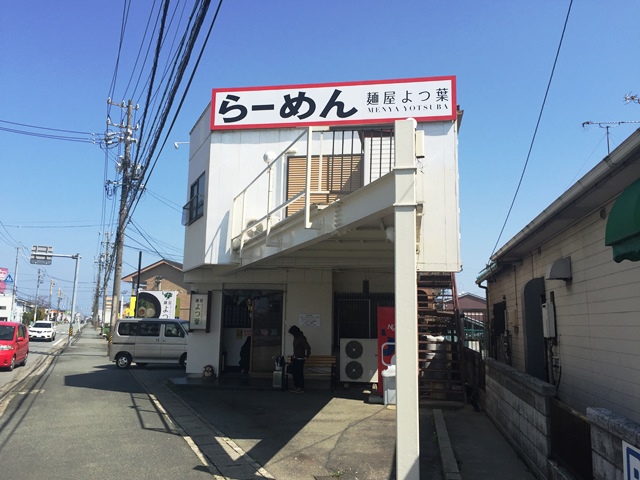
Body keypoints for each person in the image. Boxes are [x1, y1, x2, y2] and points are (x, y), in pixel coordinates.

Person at [288, 325, 311, 393]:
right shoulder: (296, 338)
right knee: (295, 373)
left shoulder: (301, 338)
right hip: (296, 357)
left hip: (300, 358)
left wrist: (307, 355)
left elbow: (308, 347)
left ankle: (300, 387)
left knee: (299, 373)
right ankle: (296, 386)